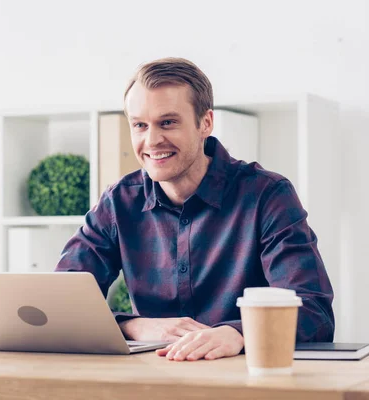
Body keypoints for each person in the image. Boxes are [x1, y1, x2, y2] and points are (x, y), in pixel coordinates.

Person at [54, 57, 335, 362]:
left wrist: (238, 333)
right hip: (151, 382)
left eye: (168, 122)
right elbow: (61, 304)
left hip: (246, 383)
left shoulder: (267, 195)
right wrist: (133, 326)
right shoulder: (118, 201)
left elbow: (314, 312)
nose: (152, 140)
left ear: (206, 123)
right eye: (139, 125)